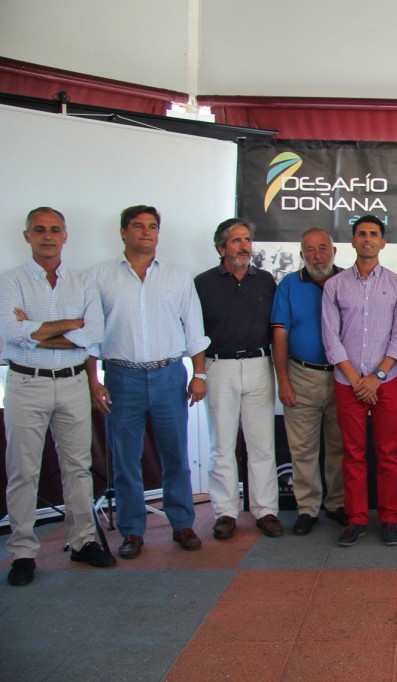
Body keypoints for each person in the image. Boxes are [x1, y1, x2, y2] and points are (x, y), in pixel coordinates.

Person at [87, 205, 210, 559]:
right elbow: (92, 336)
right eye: (137, 226)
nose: (145, 232)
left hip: (169, 374)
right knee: (126, 459)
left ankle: (182, 524)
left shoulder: (177, 276)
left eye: (152, 227)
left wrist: (199, 375)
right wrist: (94, 381)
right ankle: (132, 531)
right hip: (121, 377)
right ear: (123, 232)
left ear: (159, 233)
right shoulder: (99, 277)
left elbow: (195, 332)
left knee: (176, 455)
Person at [2, 207, 115, 586]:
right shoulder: (11, 281)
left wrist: (34, 330)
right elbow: (10, 333)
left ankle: (82, 541)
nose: (47, 236)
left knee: (78, 467)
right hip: (26, 383)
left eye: (54, 230)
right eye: (39, 230)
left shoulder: (82, 283)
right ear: (27, 236)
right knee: (23, 470)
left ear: (65, 236)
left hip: (72, 383)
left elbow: (93, 333)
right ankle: (22, 552)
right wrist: (71, 323)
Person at [322, 215, 397, 547]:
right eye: (362, 234)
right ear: (353, 240)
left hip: (386, 382)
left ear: (383, 242)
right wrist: (358, 379)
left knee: (388, 454)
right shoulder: (334, 285)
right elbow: (331, 339)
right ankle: (356, 518)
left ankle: (389, 519)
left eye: (374, 234)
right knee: (353, 453)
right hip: (349, 383)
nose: (368, 239)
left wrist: (376, 377)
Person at [194, 218, 282, 540]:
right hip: (220, 367)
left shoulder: (266, 281)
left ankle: (265, 510)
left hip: (260, 364)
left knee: (262, 445)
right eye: (236, 241)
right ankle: (226, 512)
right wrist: (198, 374)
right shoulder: (202, 284)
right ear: (221, 248)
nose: (244, 246)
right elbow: (195, 335)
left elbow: (277, 329)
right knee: (222, 445)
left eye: (247, 240)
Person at [270, 228, 346, 535]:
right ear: (302, 255)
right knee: (302, 448)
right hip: (301, 375)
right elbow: (279, 335)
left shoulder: (348, 282)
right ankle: (307, 508)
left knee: (340, 446)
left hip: (342, 376)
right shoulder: (289, 285)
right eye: (310, 250)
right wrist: (283, 381)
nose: (318, 255)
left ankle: (338, 503)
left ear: (334, 251)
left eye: (323, 248)